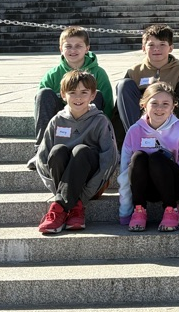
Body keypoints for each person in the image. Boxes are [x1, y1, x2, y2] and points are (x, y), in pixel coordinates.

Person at [35, 70, 119, 234]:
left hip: (93, 184)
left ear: (93, 95)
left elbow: (110, 159)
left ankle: (59, 208)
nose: (78, 98)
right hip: (62, 184)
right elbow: (42, 158)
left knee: (81, 151)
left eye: (84, 93)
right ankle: (74, 209)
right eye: (72, 93)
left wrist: (85, 193)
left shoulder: (100, 121)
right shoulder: (57, 121)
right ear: (63, 95)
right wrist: (60, 190)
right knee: (57, 150)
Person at [118, 82, 179, 232]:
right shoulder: (134, 131)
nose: (159, 108)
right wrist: (124, 211)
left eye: (165, 104)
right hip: (144, 186)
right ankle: (139, 210)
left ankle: (172, 209)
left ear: (173, 106)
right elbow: (124, 170)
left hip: (172, 186)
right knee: (138, 157)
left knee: (157, 158)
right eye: (154, 103)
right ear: (143, 104)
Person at [34, 26, 113, 143]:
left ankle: (92, 142)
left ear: (87, 48)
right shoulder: (52, 75)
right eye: (68, 46)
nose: (73, 50)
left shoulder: (98, 73)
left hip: (88, 122)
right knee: (43, 93)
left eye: (78, 46)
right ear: (61, 48)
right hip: (61, 121)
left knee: (97, 94)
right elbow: (42, 107)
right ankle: (42, 145)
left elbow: (107, 104)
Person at [115, 24, 179, 131]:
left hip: (166, 123)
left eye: (162, 44)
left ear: (171, 48)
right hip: (137, 121)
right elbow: (122, 107)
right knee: (123, 84)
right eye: (151, 45)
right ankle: (135, 135)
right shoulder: (134, 72)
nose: (156, 49)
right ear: (143, 48)